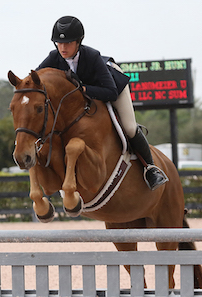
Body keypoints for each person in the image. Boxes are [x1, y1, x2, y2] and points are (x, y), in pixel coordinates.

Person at [37, 16, 168, 191]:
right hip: (83, 100)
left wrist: (83, 90)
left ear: (79, 42)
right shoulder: (54, 58)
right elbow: (35, 80)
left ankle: (151, 169)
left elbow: (110, 91)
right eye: (59, 44)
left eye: (68, 43)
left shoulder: (92, 56)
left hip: (111, 88)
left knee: (129, 127)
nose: (63, 48)